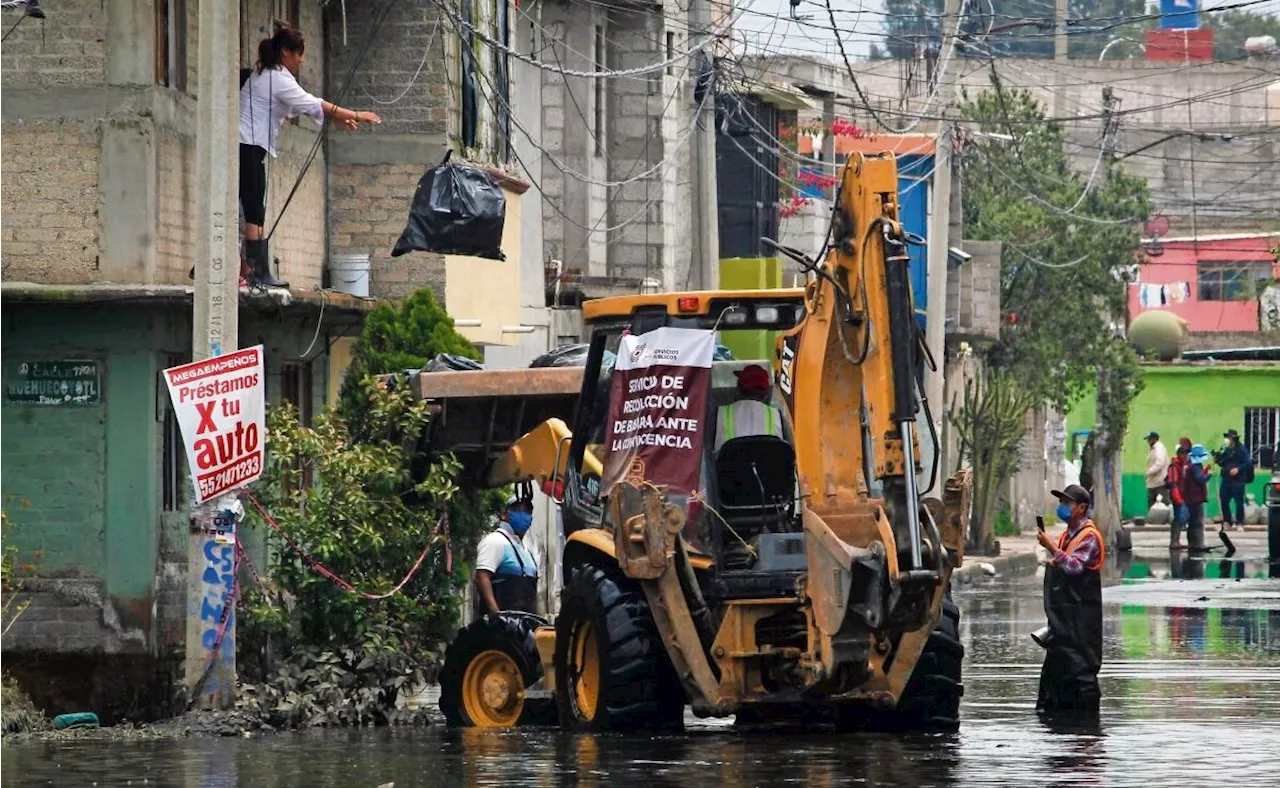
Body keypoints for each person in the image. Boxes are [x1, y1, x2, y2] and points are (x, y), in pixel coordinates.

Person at [238, 26, 383, 288]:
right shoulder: (277, 79)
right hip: (246, 145)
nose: (302, 60)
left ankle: (246, 272)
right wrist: (357, 114)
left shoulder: (268, 74)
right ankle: (253, 274)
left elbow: (299, 108)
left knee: (251, 209)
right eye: (299, 54)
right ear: (286, 52)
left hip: (246, 146)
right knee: (254, 212)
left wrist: (341, 118)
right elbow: (313, 103)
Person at [1034, 484, 1106, 718]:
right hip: (1064, 621)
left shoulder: (1089, 536)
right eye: (1061, 502)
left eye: (1067, 503)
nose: (1062, 507)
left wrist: (1051, 547)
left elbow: (1074, 567)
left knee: (1080, 669)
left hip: (1082, 620)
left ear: (1082, 508)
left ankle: (1084, 724)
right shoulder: (1068, 534)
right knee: (1057, 670)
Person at [473, 496, 539, 617]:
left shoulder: (526, 551)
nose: (523, 515)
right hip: (500, 629)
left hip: (524, 626)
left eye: (527, 512)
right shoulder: (494, 541)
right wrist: (497, 616)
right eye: (518, 510)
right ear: (504, 514)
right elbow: (482, 577)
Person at [714, 364, 785, 453]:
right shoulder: (776, 415)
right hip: (768, 466)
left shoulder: (720, 413)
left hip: (731, 465)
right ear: (766, 393)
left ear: (738, 388)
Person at [1215, 429, 1254, 531]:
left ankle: (1240, 523)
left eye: (1229, 438)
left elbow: (1248, 462)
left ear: (1234, 439)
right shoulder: (1226, 449)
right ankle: (1227, 521)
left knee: (1239, 502)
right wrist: (1217, 458)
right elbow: (1222, 462)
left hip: (1238, 480)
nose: (1227, 440)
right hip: (1226, 479)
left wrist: (1238, 469)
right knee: (1224, 500)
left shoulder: (1241, 449)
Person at [1183, 444, 1212, 553]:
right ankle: (1198, 544)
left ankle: (1192, 544)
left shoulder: (1190, 466)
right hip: (1196, 498)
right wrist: (1208, 475)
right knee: (1197, 522)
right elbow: (1200, 479)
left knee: (1192, 522)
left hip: (1190, 498)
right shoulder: (1196, 466)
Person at [1166, 443, 1190, 550]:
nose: (1185, 456)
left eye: (1186, 454)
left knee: (1181, 517)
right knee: (1180, 518)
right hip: (1177, 496)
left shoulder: (1184, 466)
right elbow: (1173, 483)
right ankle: (1174, 541)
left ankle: (1175, 541)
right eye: (1183, 454)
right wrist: (1178, 498)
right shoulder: (1174, 467)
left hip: (1183, 495)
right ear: (1179, 454)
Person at [1144, 431, 1170, 510]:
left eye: (1150, 439)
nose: (1148, 441)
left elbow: (1159, 463)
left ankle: (1163, 520)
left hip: (1159, 481)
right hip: (1153, 482)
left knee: (1162, 504)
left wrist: (1149, 472)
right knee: (1153, 505)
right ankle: (1154, 520)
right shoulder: (1153, 448)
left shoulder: (1158, 448)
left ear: (1155, 439)